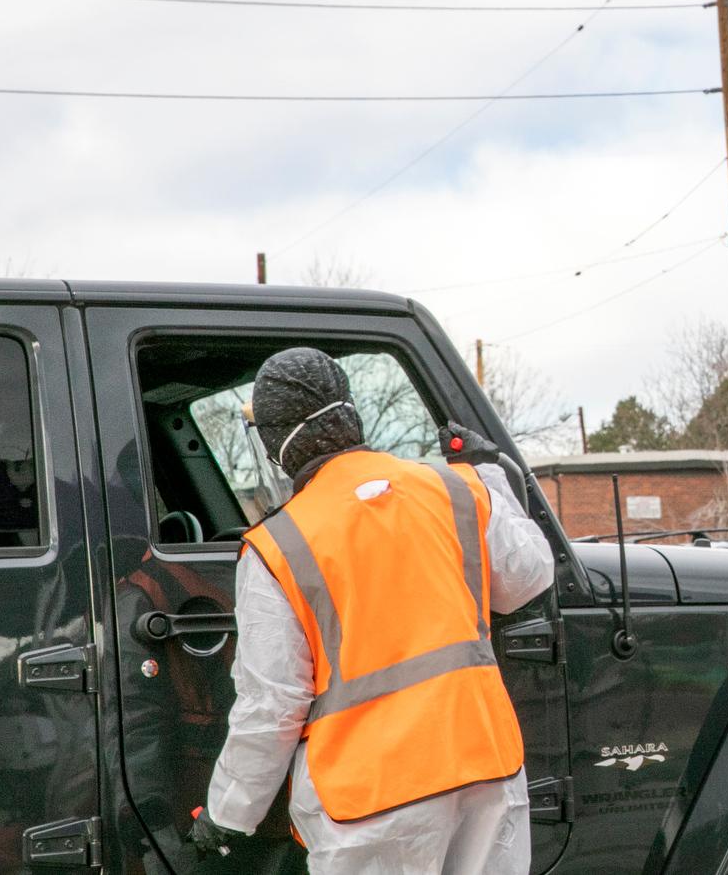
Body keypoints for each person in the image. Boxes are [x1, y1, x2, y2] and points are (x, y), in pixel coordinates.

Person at [188, 347, 554, 873]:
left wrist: (227, 812)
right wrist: (489, 472)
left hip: (371, 800)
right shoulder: (454, 488)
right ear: (349, 412)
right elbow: (527, 578)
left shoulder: (278, 546)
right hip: (483, 767)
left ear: (276, 443)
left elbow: (272, 704)